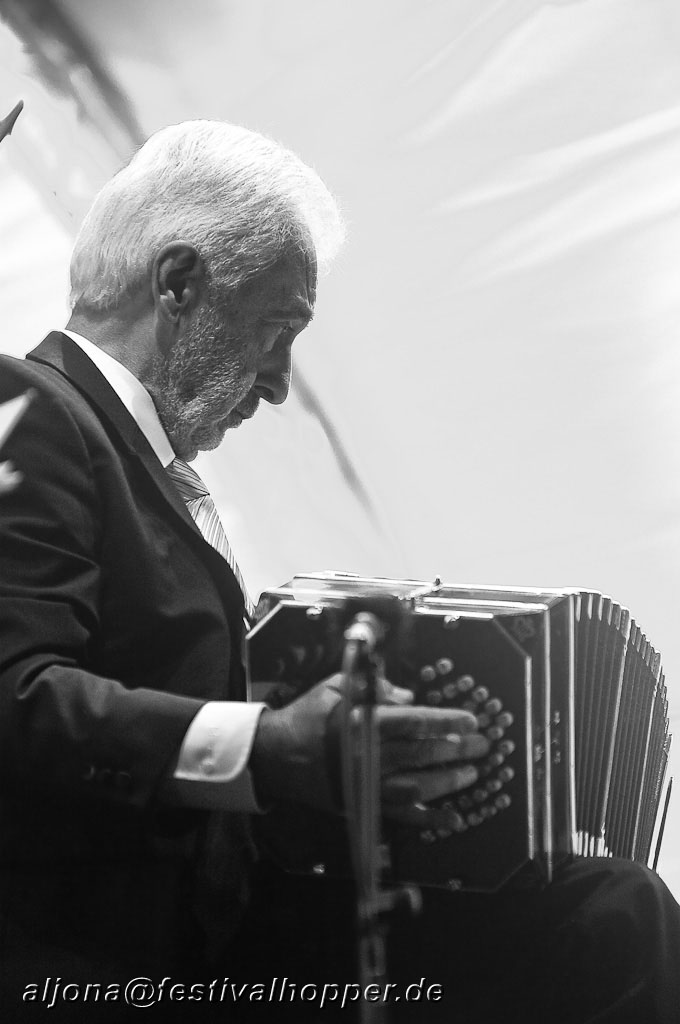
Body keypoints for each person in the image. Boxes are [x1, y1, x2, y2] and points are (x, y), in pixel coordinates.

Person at [0, 120, 678, 1023]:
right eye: (279, 328)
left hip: (226, 924)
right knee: (609, 922)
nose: (280, 382)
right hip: (112, 956)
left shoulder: (131, 454)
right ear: (177, 281)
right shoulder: (32, 407)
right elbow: (18, 695)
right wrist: (271, 747)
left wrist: (389, 787)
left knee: (605, 907)